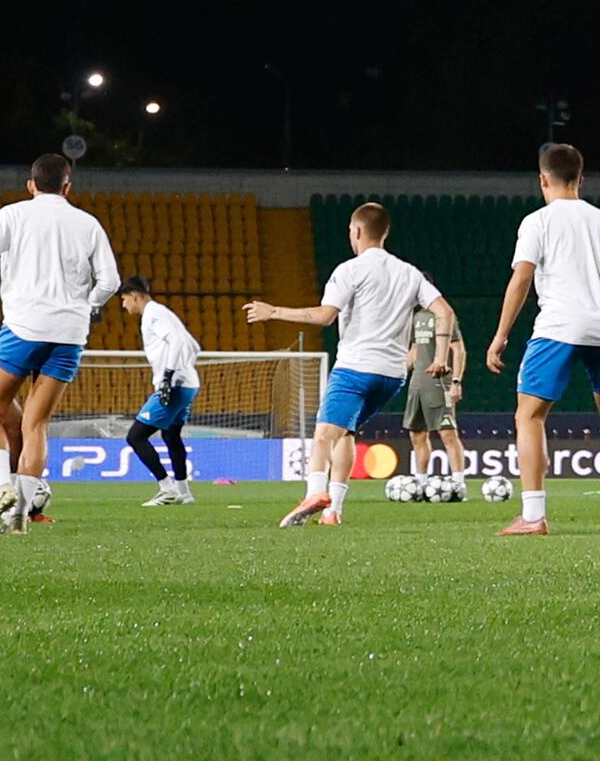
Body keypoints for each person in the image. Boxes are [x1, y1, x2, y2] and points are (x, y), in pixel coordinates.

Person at [0, 155, 125, 533]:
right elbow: (110, 282)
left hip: (24, 328)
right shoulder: (88, 224)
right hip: (70, 335)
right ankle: (19, 518)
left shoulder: (12, 215)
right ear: (68, 187)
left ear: (30, 184)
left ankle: (1, 488)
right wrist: (86, 306)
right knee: (36, 424)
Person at [487, 141, 600, 537]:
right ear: (581, 179)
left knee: (529, 415)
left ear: (543, 179)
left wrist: (500, 336)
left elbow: (521, 278)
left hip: (558, 326)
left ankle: (533, 515)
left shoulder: (538, 222)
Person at [248, 201, 440, 529]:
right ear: (386, 233)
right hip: (392, 376)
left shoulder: (349, 270)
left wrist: (275, 311)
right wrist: (437, 357)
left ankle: (314, 493)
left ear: (356, 231)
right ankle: (333, 510)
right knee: (347, 431)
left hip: (355, 368)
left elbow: (324, 316)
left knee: (323, 435)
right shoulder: (409, 272)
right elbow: (444, 310)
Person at [122, 280, 204, 507]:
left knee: (136, 436)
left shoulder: (152, 315)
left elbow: (177, 341)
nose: (124, 305)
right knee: (171, 436)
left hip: (174, 385)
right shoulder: (164, 312)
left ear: (134, 296)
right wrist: (184, 369)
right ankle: (183, 491)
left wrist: (167, 376)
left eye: (124, 299)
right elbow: (194, 346)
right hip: (188, 383)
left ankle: (166, 488)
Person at [394, 277, 475, 501]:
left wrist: (456, 381)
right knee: (417, 434)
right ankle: (420, 484)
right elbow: (414, 350)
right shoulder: (414, 318)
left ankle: (459, 483)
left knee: (448, 433)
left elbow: (459, 350)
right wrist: (399, 371)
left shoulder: (444, 315)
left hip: (439, 383)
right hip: (417, 384)